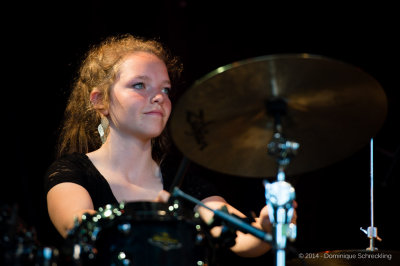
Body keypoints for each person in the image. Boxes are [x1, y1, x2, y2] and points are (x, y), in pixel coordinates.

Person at [45, 33, 291, 261]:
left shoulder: (182, 181)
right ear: (100, 100)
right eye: (139, 85)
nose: (159, 97)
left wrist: (267, 227)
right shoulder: (72, 173)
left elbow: (243, 240)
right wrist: (153, 220)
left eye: (165, 89)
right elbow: (79, 226)